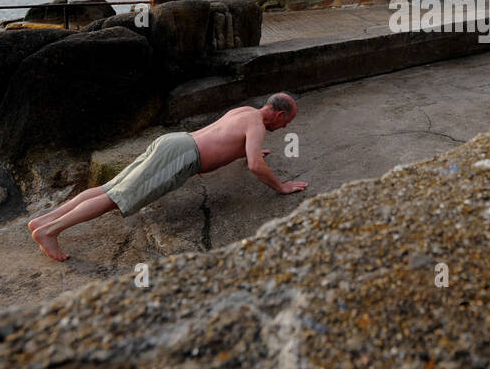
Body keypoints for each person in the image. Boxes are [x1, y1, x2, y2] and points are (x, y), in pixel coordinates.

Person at [28, 93, 307, 261]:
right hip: (181, 156)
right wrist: (280, 186)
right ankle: (50, 232)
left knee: (109, 186)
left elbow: (224, 137)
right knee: (116, 198)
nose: (284, 128)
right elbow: (255, 165)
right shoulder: (257, 125)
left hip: (175, 142)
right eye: (287, 122)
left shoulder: (246, 111)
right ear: (279, 114)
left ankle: (44, 220)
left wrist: (251, 151)